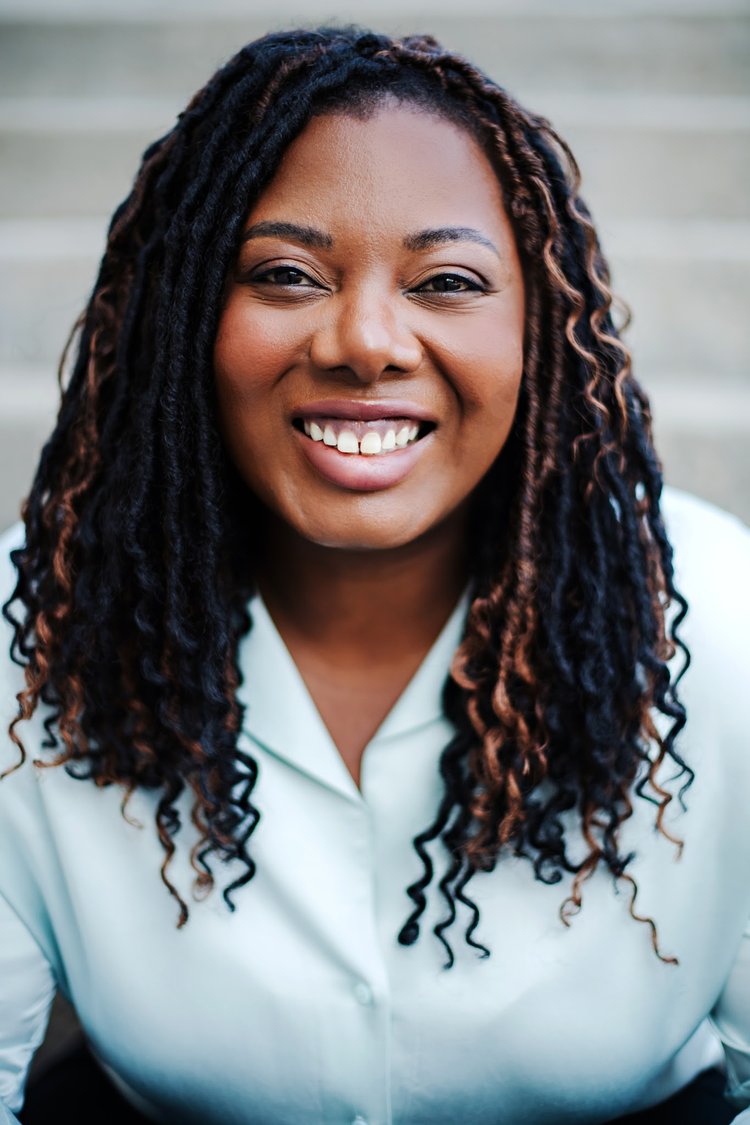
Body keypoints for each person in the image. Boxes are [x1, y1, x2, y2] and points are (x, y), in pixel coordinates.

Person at [1, 25, 749, 1125]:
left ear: (537, 332)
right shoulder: (35, 631)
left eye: (446, 280)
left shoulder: (727, 623)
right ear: (183, 321)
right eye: (285, 275)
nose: (365, 341)